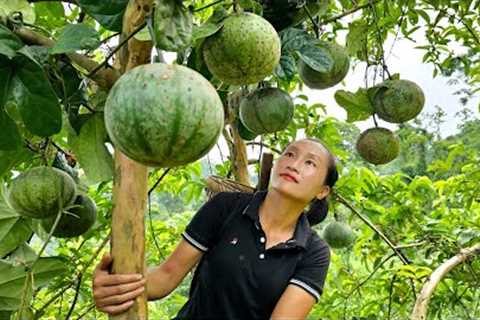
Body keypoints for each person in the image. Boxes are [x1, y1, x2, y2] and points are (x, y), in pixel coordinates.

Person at [92, 137, 339, 319]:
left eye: (309, 163)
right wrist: (120, 286)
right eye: (289, 154)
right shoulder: (226, 208)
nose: (294, 164)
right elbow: (166, 276)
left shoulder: (313, 252)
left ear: (322, 191)